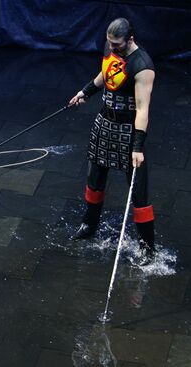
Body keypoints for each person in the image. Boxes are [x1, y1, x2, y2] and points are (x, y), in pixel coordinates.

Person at [69, 18, 156, 264]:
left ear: (130, 39)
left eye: (117, 44)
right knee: (94, 179)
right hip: (104, 124)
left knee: (138, 191)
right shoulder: (111, 48)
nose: (112, 48)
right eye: (110, 43)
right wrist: (85, 92)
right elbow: (105, 74)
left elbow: (142, 108)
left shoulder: (142, 66)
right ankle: (89, 224)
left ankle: (147, 248)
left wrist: (138, 147)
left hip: (129, 131)